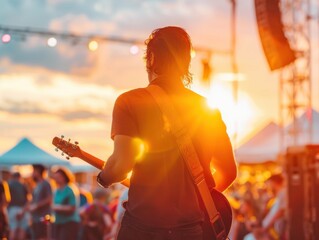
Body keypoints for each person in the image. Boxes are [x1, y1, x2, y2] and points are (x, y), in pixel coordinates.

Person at [97, 26, 237, 240]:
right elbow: (228, 171)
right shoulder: (207, 109)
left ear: (151, 58)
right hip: (191, 230)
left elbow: (121, 165)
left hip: (142, 229)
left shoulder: (130, 102)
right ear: (186, 63)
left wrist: (104, 177)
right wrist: (194, 197)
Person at [244, 173, 287, 240]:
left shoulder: (283, 193)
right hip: (273, 231)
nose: (268, 187)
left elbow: (281, 211)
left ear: (273, 183)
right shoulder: (277, 196)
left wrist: (265, 228)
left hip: (276, 232)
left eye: (269, 184)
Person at [52, 167, 80, 240]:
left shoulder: (69, 189)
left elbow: (72, 207)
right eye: (56, 177)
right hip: (58, 221)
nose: (57, 179)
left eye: (59, 177)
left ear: (64, 177)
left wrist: (57, 207)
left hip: (69, 222)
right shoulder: (56, 190)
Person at [28, 164, 53, 240]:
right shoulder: (36, 185)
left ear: (38, 172)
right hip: (35, 218)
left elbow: (49, 198)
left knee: (43, 237)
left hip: (43, 217)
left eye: (33, 171)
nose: (32, 173)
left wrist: (36, 206)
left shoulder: (46, 184)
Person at [7, 172, 30, 240]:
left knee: (13, 229)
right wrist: (23, 211)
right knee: (22, 230)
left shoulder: (8, 184)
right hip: (23, 209)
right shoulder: (23, 185)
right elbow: (29, 199)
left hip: (12, 210)